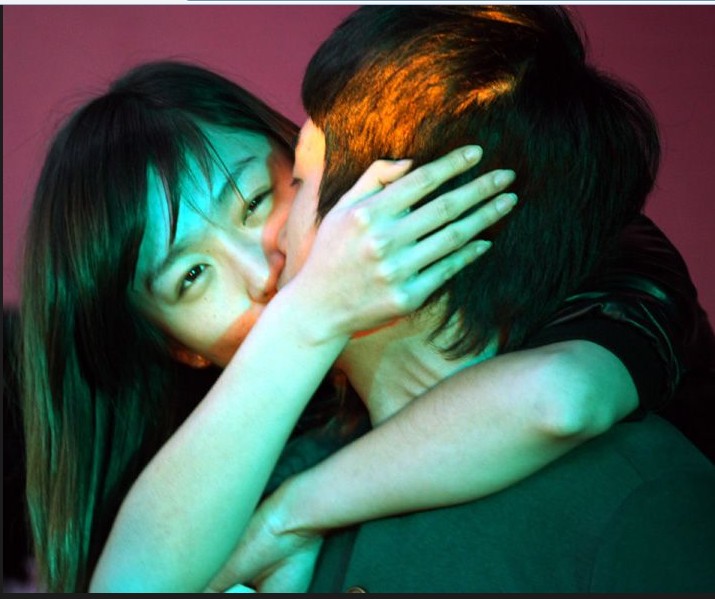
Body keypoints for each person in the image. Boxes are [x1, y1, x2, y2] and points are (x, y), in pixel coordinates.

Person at [200, 6, 715, 593]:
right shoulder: (242, 497)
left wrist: (287, 518)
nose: (268, 246)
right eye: (190, 275)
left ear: (399, 220)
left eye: (292, 184)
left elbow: (562, 395)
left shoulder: (635, 504)